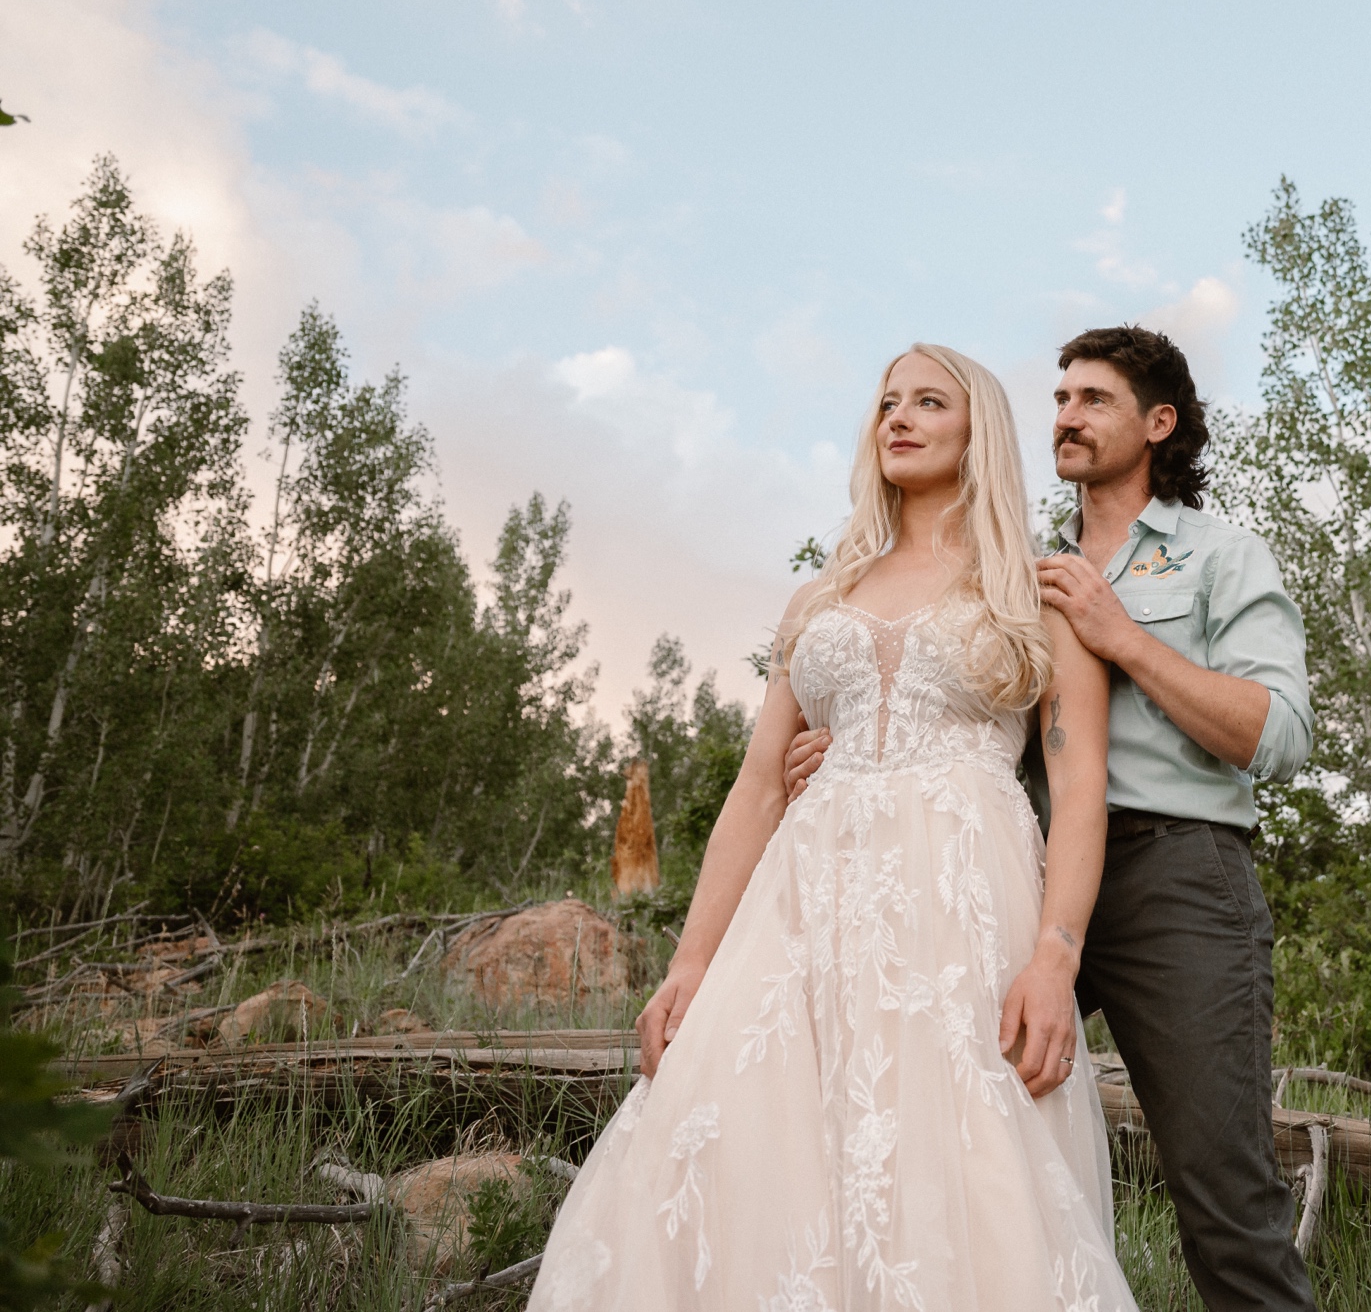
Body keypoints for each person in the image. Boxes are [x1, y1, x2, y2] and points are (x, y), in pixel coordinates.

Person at [532, 344, 1140, 1312]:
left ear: (975, 427)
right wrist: (690, 961)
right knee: (742, 1138)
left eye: (928, 401)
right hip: (805, 897)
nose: (897, 416)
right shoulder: (817, 599)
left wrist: (1055, 958)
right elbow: (756, 788)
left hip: (963, 899)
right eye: (887, 402)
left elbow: (1078, 791)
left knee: (957, 1152)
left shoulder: (1039, 589)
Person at [788, 324, 1318, 1312]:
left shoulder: (1218, 556)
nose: (1066, 415)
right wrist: (847, 744)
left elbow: (1278, 733)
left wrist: (1121, 637)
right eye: (1061, 398)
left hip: (1177, 881)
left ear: (1158, 423)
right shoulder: (1015, 569)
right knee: (935, 1126)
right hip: (1020, 879)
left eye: (1094, 399)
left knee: (1224, 1195)